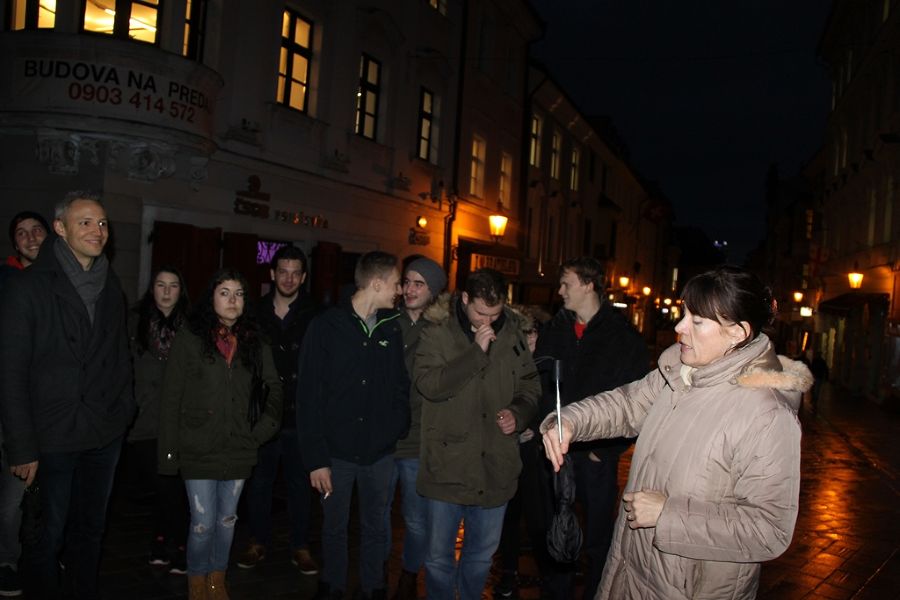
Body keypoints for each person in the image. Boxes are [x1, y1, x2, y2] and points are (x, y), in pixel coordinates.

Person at [541, 266, 810, 600]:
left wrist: (668, 515)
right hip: (631, 568)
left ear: (738, 332)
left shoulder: (767, 416)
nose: (680, 328)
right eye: (684, 314)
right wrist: (569, 420)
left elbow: (768, 529)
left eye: (696, 321)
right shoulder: (680, 374)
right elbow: (626, 405)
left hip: (691, 589)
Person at [0, 192, 134, 599]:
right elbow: (10, 371)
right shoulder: (28, 286)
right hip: (53, 434)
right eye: (85, 223)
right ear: (60, 228)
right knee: (47, 534)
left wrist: (124, 409)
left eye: (103, 224)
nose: (98, 231)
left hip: (104, 431)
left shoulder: (110, 285)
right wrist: (22, 447)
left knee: (91, 530)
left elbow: (119, 356)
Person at [414, 268, 540, 600]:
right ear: (464, 299)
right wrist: (475, 354)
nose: (488, 321)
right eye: (481, 313)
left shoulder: (513, 333)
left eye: (495, 314)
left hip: (495, 466)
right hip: (447, 467)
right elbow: (429, 384)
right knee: (439, 559)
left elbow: (530, 386)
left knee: (480, 558)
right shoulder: (437, 331)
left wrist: (518, 414)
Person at [158, 269, 283, 600]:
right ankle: (196, 580)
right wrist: (169, 454)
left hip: (240, 447)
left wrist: (261, 431)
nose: (232, 300)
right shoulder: (190, 338)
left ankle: (217, 578)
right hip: (198, 445)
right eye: (224, 292)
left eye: (239, 294)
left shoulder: (255, 341)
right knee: (202, 523)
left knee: (227, 520)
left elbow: (274, 389)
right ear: (211, 297)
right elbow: (171, 397)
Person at [531, 257, 649, 599]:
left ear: (588, 284)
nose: (560, 291)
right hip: (555, 453)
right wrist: (540, 428)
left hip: (597, 457)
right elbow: (537, 384)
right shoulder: (555, 330)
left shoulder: (623, 336)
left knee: (597, 540)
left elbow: (636, 398)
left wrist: (605, 451)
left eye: (566, 283)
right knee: (554, 532)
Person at [297, 251, 410, 600]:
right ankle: (332, 585)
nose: (400, 291)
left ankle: (374, 586)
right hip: (336, 454)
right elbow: (308, 395)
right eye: (395, 283)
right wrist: (316, 458)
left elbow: (399, 386)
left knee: (377, 526)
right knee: (334, 527)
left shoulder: (391, 326)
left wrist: (394, 428)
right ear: (377, 283)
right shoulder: (327, 326)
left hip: (379, 455)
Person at [238, 245, 319, 574]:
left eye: (295, 272)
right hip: (264, 414)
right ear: (272, 274)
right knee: (260, 483)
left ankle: (300, 545)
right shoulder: (253, 312)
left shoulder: (316, 313)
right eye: (282, 271)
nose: (288, 278)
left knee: (301, 485)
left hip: (301, 414)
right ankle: (257, 541)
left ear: (303, 277)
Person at [388, 256, 447, 600]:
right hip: (382, 436)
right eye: (406, 282)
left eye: (418, 284)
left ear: (433, 290)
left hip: (417, 438)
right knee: (376, 513)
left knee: (415, 518)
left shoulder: (442, 330)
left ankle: (409, 573)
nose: (409, 289)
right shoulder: (387, 320)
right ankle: (376, 571)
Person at [127, 265, 191, 574]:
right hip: (144, 420)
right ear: (151, 288)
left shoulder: (193, 327)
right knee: (160, 484)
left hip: (179, 421)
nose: (166, 291)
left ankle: (172, 543)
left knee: (172, 484)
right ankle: (165, 537)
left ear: (181, 290)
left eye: (173, 285)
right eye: (161, 284)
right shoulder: (135, 322)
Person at [0, 210, 50, 597]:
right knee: (11, 496)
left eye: (37, 231)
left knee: (47, 492)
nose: (31, 238)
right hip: (13, 406)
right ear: (14, 243)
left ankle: (43, 553)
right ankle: (7, 560)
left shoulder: (63, 281)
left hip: (52, 407)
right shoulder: (7, 281)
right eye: (22, 234)